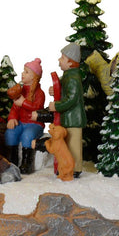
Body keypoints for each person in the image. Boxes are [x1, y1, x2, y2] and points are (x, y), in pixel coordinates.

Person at [33, 43, 87, 177]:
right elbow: (64, 90)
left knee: (73, 145)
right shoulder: (68, 76)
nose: (59, 60)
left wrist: (56, 106)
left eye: (62, 58)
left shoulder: (73, 78)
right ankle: (66, 166)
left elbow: (71, 99)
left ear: (70, 63)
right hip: (68, 117)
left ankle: (75, 169)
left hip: (73, 119)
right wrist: (56, 89)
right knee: (67, 144)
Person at [5, 58, 45, 174]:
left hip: (34, 124)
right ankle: (11, 162)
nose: (23, 73)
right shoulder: (20, 91)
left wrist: (24, 103)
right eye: (24, 71)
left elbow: (37, 107)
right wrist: (12, 118)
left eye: (26, 72)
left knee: (27, 135)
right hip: (21, 122)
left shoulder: (39, 93)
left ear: (34, 77)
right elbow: (15, 108)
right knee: (10, 133)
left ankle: (26, 164)